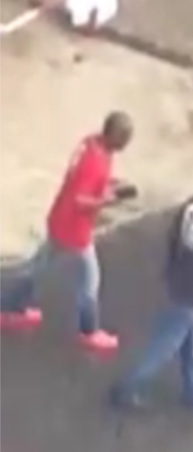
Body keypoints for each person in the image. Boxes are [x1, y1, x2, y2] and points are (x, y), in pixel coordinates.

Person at [111, 171, 193, 412]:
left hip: (178, 277)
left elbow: (173, 234)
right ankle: (128, 386)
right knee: (165, 345)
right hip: (191, 290)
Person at [0, 112, 135, 353]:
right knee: (90, 281)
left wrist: (110, 185)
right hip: (74, 231)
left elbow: (83, 181)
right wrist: (106, 201)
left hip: (60, 220)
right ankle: (89, 331)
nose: (127, 143)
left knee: (37, 268)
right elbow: (80, 200)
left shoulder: (91, 144)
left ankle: (11, 307)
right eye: (125, 137)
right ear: (114, 136)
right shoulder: (96, 160)